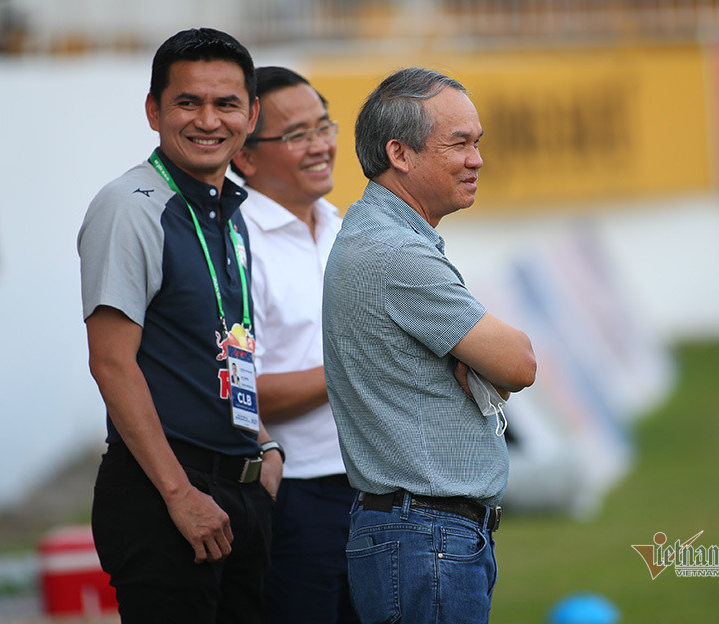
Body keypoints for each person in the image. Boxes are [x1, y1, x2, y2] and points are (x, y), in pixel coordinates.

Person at [77, 28, 284, 624]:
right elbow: (111, 362)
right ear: (153, 111)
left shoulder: (232, 211)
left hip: (238, 488)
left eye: (226, 104)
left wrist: (264, 444)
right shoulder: (131, 206)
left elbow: (222, 347)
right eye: (187, 102)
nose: (208, 120)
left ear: (251, 114)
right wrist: (178, 494)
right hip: (168, 492)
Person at [321, 67, 537, 624]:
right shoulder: (397, 253)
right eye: (459, 143)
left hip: (419, 537)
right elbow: (518, 364)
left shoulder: (381, 234)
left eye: (477, 142)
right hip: (426, 539)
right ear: (400, 153)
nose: (477, 159)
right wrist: (479, 360)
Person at [231, 66, 359, 624]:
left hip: (375, 487)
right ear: (245, 156)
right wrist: (362, 369)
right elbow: (238, 394)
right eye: (296, 135)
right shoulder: (234, 245)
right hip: (294, 495)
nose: (320, 146)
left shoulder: (344, 227)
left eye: (324, 127)